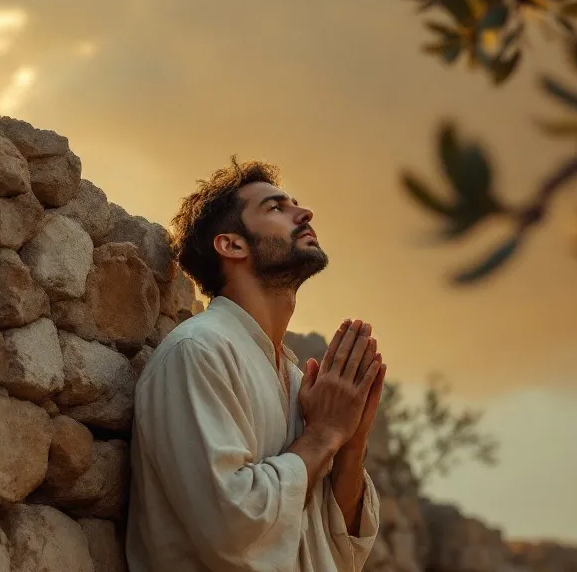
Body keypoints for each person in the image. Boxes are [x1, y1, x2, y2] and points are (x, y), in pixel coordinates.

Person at [126, 156, 386, 571]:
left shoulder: (298, 382)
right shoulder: (197, 352)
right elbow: (232, 526)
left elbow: (337, 549)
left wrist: (351, 441)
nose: (304, 213)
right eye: (276, 208)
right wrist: (323, 434)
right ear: (231, 244)